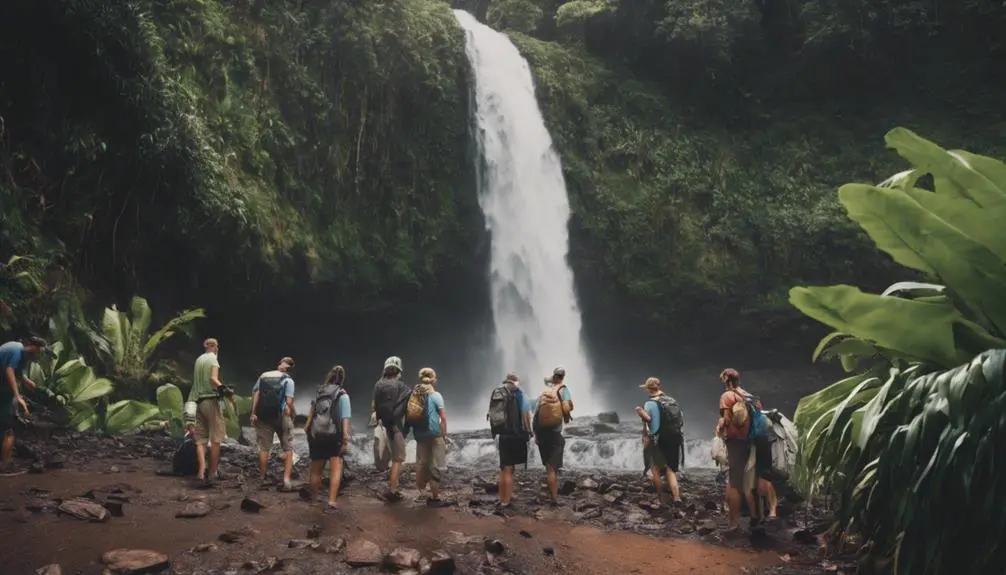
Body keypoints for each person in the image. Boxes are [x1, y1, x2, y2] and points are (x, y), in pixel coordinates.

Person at [716, 368, 776, 532]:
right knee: (752, 479)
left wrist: (720, 427)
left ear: (726, 381)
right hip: (755, 440)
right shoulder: (749, 396)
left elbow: (728, 420)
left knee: (734, 483)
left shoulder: (727, 396)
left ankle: (733, 524)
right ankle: (758, 516)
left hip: (737, 442)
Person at [303, 365, 351, 513]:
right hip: (334, 435)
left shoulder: (319, 392)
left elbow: (311, 414)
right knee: (335, 469)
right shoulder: (342, 394)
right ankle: (331, 501)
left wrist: (308, 431)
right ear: (342, 379)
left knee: (316, 470)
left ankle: (314, 500)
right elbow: (345, 418)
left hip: (317, 435)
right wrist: (345, 438)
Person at [634, 377, 683, 507]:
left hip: (658, 438)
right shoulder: (671, 400)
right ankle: (677, 497)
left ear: (648, 389)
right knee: (670, 469)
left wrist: (640, 412)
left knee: (655, 469)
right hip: (674, 437)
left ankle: (661, 500)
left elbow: (649, 420)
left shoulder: (650, 403)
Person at [0, 337, 46, 475]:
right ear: (33, 347)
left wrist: (26, 380)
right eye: (39, 350)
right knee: (9, 430)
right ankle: (6, 465)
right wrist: (18, 395)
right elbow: (9, 370)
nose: (39, 354)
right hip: (4, 392)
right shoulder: (16, 350)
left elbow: (14, 370)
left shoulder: (15, 348)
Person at [250, 356, 296, 490]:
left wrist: (253, 412)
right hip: (281, 415)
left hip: (263, 416)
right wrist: (293, 414)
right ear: (290, 369)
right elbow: (289, 402)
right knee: (288, 448)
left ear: (280, 364)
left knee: (264, 448)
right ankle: (286, 480)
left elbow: (256, 394)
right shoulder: (288, 380)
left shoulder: (264, 376)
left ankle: (262, 479)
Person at [489, 373, 532, 512]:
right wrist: (529, 432)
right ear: (516, 382)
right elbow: (526, 417)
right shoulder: (521, 395)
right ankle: (506, 501)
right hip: (517, 435)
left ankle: (503, 497)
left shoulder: (499, 392)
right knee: (509, 470)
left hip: (503, 435)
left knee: (504, 468)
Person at [371, 356, 411, 502]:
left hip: (385, 425)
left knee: (393, 456)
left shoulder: (378, 385)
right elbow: (408, 408)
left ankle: (394, 487)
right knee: (397, 459)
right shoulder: (402, 387)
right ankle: (392, 490)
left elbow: (375, 407)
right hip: (396, 427)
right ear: (398, 371)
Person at [187, 338, 226, 485]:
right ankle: (212, 473)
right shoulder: (213, 359)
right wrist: (224, 388)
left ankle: (201, 471)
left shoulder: (199, 360)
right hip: (210, 401)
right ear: (215, 347)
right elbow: (213, 379)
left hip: (198, 401)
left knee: (201, 440)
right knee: (216, 440)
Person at [533, 367, 573, 506]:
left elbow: (536, 414)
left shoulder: (544, 393)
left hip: (542, 433)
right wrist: (567, 416)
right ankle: (554, 498)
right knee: (553, 470)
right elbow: (567, 407)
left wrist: (536, 435)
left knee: (548, 468)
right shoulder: (563, 390)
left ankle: (551, 492)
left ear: (554, 376)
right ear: (562, 377)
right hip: (555, 434)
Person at [411, 367, 449, 507]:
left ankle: (421, 491)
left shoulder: (415, 394)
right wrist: (444, 435)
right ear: (433, 379)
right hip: (434, 434)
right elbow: (443, 418)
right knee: (434, 466)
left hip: (420, 434)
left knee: (422, 462)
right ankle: (435, 497)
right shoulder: (436, 396)